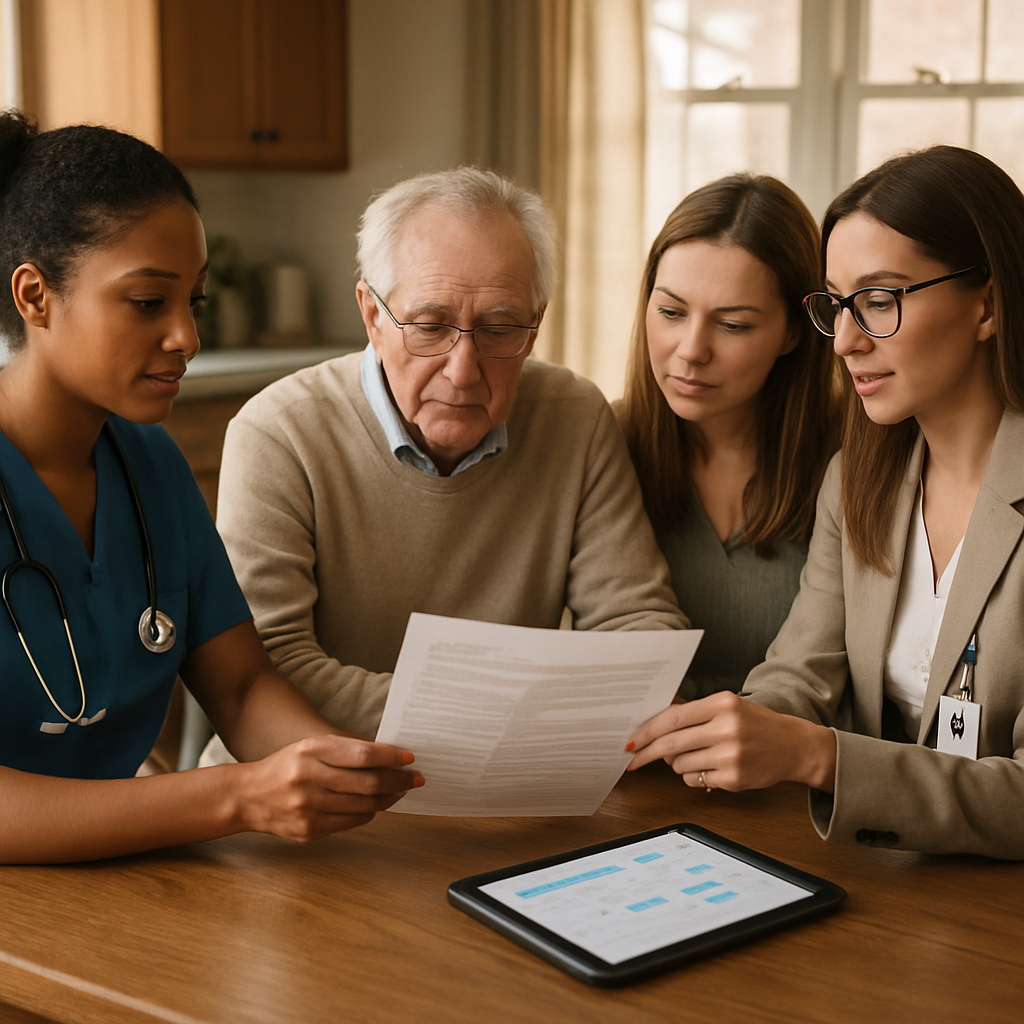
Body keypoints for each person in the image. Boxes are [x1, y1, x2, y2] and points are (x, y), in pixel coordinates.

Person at [0, 113, 421, 864]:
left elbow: (240, 688)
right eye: (146, 302)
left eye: (192, 300)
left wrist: (338, 769)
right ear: (35, 297)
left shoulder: (151, 464)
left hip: (132, 871)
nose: (187, 337)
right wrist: (240, 795)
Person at [201, 167, 686, 763]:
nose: (463, 369)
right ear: (373, 316)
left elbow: (637, 625)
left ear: (535, 326)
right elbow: (270, 667)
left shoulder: (575, 416)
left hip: (507, 782)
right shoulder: (279, 431)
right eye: (429, 326)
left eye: (500, 328)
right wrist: (506, 712)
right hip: (308, 787)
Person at [627, 146, 1024, 859]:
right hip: (885, 870)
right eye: (837, 305)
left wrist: (821, 759)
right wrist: (738, 729)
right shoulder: (859, 474)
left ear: (988, 304)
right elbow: (800, 671)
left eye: (878, 301)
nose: (843, 341)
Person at [618, 175, 838, 697]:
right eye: (671, 312)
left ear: (793, 332)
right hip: (638, 762)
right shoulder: (606, 440)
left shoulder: (850, 452)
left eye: (733, 325)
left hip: (795, 763)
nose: (691, 350)